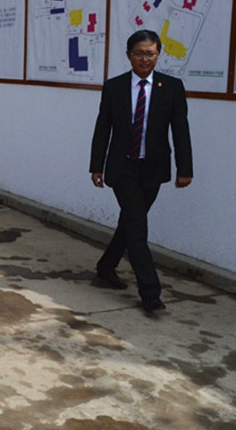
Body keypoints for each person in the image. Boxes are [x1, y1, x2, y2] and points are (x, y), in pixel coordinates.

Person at [90, 29, 193, 314]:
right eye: (139, 53)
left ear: (158, 55)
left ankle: (106, 266)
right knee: (138, 229)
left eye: (150, 53)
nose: (144, 59)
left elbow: (180, 129)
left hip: (153, 168)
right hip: (122, 167)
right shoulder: (114, 87)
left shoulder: (171, 87)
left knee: (130, 222)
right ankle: (150, 294)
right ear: (128, 55)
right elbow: (103, 129)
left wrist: (185, 168)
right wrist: (95, 166)